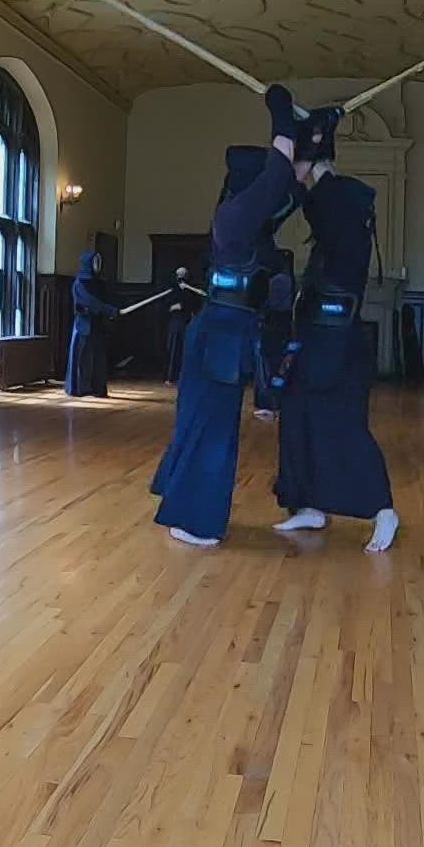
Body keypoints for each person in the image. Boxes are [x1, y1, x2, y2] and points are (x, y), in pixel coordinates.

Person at [151, 85, 325, 547]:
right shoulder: (235, 218)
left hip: (226, 336)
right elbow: (280, 175)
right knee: (208, 428)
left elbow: (291, 182)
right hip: (217, 337)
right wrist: (281, 113)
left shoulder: (254, 222)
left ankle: (188, 507)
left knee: (206, 424)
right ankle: (196, 519)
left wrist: (318, 134)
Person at [271, 154, 401, 553]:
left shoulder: (351, 233)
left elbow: (324, 202)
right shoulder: (334, 238)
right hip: (312, 340)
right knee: (296, 422)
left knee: (343, 429)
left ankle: (383, 511)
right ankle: (309, 505)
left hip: (339, 347)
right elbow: (317, 205)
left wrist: (319, 165)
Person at [66, 250, 117, 397]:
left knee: (98, 359)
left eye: (99, 262)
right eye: (95, 262)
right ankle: (80, 388)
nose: (98, 265)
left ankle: (97, 388)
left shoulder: (99, 283)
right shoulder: (80, 283)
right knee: (82, 358)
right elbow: (91, 302)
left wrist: (111, 312)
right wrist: (110, 310)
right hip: (84, 325)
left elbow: (104, 300)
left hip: (97, 326)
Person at [253, 249, 296, 420]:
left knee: (268, 368)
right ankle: (276, 401)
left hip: (272, 328)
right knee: (279, 368)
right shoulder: (290, 281)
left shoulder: (278, 280)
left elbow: (270, 304)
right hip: (283, 328)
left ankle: (269, 403)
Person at [162, 265, 197, 384]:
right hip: (176, 324)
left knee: (188, 350)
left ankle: (187, 377)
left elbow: (194, 305)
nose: (181, 279)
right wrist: (173, 307)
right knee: (174, 350)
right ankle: (171, 376)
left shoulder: (191, 291)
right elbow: (167, 306)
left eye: (183, 276)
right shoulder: (172, 290)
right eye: (179, 276)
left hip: (188, 324)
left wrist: (183, 306)